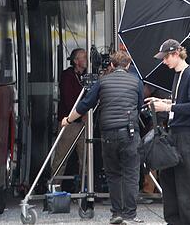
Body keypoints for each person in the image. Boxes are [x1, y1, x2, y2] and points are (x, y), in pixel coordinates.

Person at [62, 50, 145, 224]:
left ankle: (116, 214)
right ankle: (130, 214)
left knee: (113, 174)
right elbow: (138, 105)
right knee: (130, 174)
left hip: (108, 134)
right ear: (128, 65)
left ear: (112, 65)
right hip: (129, 133)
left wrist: (68, 120)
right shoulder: (136, 82)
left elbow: (85, 105)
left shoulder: (102, 81)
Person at [146, 39, 190, 225]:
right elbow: (182, 103)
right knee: (169, 178)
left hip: (187, 134)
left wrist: (167, 107)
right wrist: (165, 103)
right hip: (175, 131)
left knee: (185, 181)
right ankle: (174, 220)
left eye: (165, 58)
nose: (164, 62)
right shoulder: (178, 75)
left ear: (176, 54)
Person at [52, 48, 87, 182]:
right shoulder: (68, 76)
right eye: (83, 57)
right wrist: (80, 113)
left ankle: (84, 186)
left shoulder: (86, 76)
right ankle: (55, 186)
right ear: (76, 61)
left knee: (85, 158)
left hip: (83, 123)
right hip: (70, 122)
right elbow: (68, 100)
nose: (86, 60)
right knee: (61, 156)